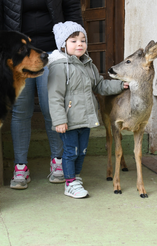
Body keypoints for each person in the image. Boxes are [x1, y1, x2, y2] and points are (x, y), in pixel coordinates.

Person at [0, 0, 84, 189]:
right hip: (20, 56)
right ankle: (20, 165)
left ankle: (58, 161)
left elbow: (72, 9)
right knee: (21, 110)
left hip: (53, 51)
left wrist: (75, 44)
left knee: (52, 107)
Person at [48, 21, 128, 198]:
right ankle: (69, 183)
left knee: (82, 150)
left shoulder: (88, 65)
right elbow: (54, 96)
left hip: (85, 117)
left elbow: (100, 85)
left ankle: (74, 178)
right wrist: (59, 120)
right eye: (73, 41)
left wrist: (121, 86)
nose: (79, 44)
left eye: (83, 40)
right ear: (63, 45)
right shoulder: (59, 66)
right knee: (71, 151)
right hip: (68, 120)